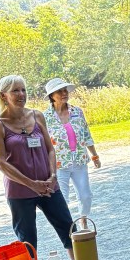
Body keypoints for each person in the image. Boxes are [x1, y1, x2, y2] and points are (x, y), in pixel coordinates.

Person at [0, 75, 74, 257]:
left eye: (23, 89)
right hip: (20, 193)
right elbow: (0, 163)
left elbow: (50, 149)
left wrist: (53, 177)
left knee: (71, 234)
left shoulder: (37, 115)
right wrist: (31, 184)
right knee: (27, 245)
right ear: (4, 96)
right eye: (15, 91)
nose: (21, 94)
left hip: (49, 187)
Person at [43, 77, 100, 218]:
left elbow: (86, 134)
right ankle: (68, 226)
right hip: (59, 164)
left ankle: (83, 218)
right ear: (52, 96)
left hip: (79, 160)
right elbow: (43, 143)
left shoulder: (77, 112)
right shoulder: (44, 117)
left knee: (86, 196)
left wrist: (94, 155)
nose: (64, 93)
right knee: (62, 199)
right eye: (60, 91)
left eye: (65, 90)